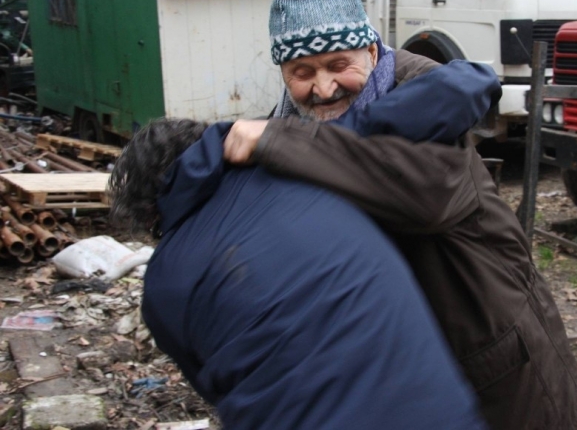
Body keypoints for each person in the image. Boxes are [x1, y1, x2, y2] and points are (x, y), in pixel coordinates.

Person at [223, 0, 577, 429]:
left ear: (372, 51)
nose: (324, 87)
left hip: (490, 363)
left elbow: (425, 198)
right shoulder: (289, 123)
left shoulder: (430, 104)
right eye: (301, 71)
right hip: (403, 371)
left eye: (338, 65)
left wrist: (274, 143)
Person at [108, 118, 487, 430]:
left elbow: (215, 389)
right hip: (444, 413)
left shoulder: (165, 282)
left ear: (149, 210)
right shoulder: (310, 180)